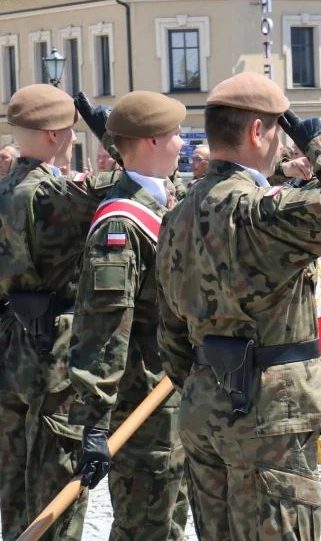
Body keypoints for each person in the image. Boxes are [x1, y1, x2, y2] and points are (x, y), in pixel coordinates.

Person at [155, 72, 321, 540]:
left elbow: (170, 331)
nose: (281, 145)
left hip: (204, 405)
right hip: (269, 413)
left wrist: (205, 382)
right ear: (258, 131)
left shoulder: (176, 214)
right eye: (278, 131)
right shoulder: (260, 212)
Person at [68, 91, 190, 540]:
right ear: (152, 141)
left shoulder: (166, 199)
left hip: (172, 399)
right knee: (145, 528)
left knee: (171, 524)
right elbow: (104, 329)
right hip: (142, 407)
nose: (183, 144)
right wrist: (95, 421)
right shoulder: (120, 224)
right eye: (176, 135)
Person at [0, 84, 117, 540]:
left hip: (9, 342)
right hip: (55, 349)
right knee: (56, 491)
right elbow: (133, 176)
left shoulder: (6, 187)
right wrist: (106, 131)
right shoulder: (57, 195)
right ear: (55, 135)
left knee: (12, 489)